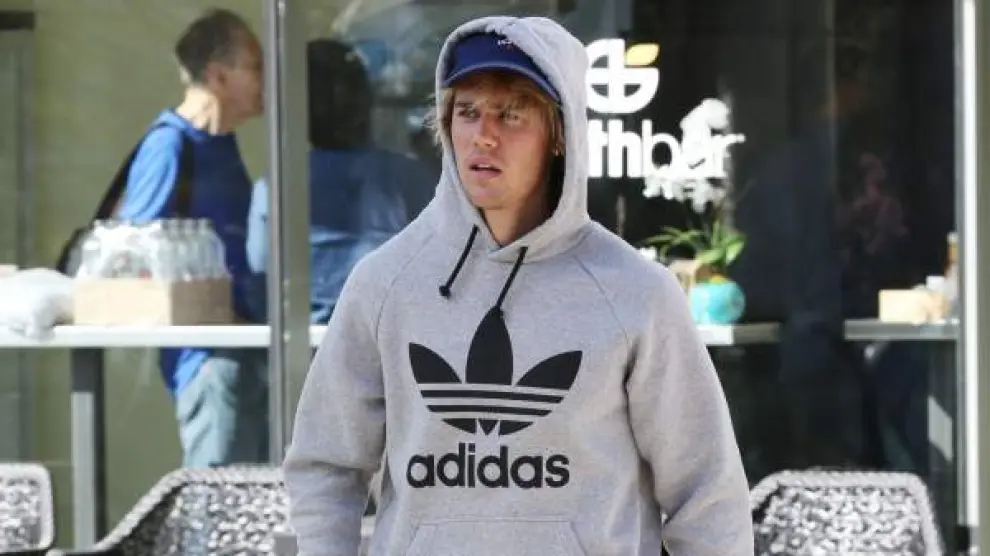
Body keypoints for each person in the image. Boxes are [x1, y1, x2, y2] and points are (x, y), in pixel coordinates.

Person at [283, 16, 752, 555]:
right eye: (467, 111)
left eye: (511, 114)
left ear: (560, 133)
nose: (484, 135)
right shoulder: (385, 283)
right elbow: (326, 466)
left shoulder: (636, 293)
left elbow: (707, 494)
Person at [115, 8, 268, 467]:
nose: (266, 80)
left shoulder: (222, 146)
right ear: (219, 76)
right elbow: (133, 254)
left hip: (247, 350)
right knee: (217, 500)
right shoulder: (169, 146)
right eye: (256, 67)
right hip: (206, 359)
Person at [245, 38, 436, 324]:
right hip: (391, 343)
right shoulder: (411, 178)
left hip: (304, 348)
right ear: (366, 101)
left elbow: (261, 282)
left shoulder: (275, 188)